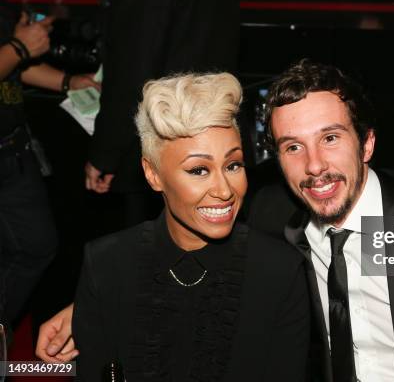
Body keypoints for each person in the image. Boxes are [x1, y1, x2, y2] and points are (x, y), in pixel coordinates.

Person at [37, 61, 394, 382]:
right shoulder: (270, 213)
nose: (315, 167)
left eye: (331, 138)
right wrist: (87, 301)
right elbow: (191, 243)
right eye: (292, 147)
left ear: (366, 143)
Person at [71, 73, 309, 380]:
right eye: (199, 170)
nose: (224, 190)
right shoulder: (106, 264)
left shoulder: (279, 271)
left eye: (233, 165)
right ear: (153, 174)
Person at [85, 0, 240, 227]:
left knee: (152, 249)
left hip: (161, 141)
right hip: (212, 129)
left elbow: (133, 70)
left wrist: (105, 152)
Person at [0, 0, 99, 332]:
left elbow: (13, 65)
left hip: (13, 147)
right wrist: (18, 47)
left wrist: (67, 81)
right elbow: (13, 54)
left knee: (37, 246)